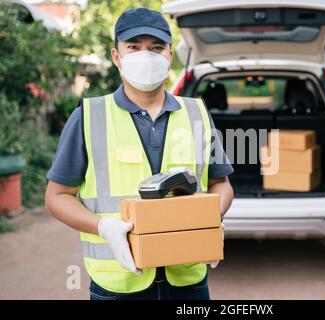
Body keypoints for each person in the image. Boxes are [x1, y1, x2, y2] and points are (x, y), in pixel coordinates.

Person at [45, 8, 234, 300]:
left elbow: (221, 185)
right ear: (116, 56)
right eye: (134, 47)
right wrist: (103, 226)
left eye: (156, 48)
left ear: (170, 56)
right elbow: (56, 196)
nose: (146, 56)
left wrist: (212, 219)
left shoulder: (196, 113)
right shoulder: (89, 116)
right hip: (119, 284)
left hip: (187, 281)